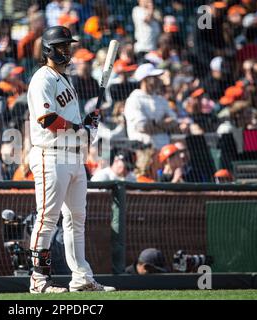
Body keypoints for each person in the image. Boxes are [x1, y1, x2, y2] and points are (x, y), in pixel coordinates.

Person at [27, 25, 115, 293]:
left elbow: (72, 123)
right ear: (49, 50)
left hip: (74, 158)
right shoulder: (42, 78)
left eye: (68, 46)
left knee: (77, 219)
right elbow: (48, 120)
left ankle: (82, 278)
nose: (67, 51)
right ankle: (39, 281)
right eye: (62, 46)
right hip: (51, 156)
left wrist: (87, 123)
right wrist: (80, 129)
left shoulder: (65, 79)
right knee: (47, 219)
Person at [124, 63, 179, 179]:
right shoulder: (134, 99)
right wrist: (163, 125)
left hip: (164, 152)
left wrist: (154, 124)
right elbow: (143, 127)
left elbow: (174, 122)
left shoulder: (160, 99)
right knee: (146, 181)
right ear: (145, 79)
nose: (158, 80)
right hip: (144, 152)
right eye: (153, 77)